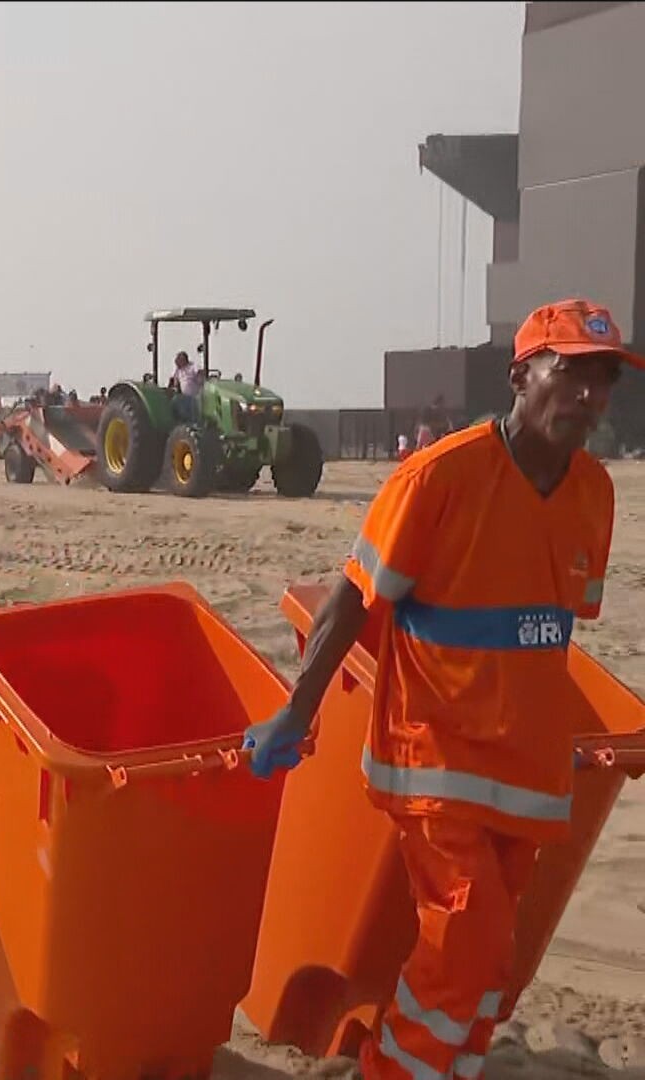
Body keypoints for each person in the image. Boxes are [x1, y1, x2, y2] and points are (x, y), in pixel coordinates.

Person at [242, 299, 635, 1080]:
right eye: (570, 372)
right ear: (522, 375)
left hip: (525, 776)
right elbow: (352, 599)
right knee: (465, 945)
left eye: (603, 379)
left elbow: (543, 630)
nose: (587, 395)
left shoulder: (594, 494)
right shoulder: (440, 477)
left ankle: (453, 1067)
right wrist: (299, 708)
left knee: (493, 968)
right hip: (436, 761)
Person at [169, 352, 203, 424]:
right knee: (175, 401)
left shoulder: (193, 366)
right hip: (184, 396)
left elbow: (200, 375)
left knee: (193, 406)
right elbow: (175, 383)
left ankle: (194, 424)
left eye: (179, 360)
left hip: (195, 396)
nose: (177, 363)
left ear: (184, 360)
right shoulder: (178, 370)